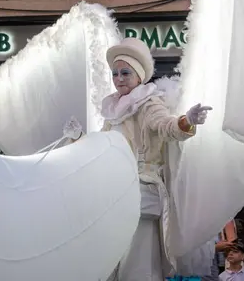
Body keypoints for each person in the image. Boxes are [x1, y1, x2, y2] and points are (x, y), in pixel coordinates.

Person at [81, 37, 212, 281]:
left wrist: (187, 121)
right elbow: (101, 147)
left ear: (139, 76)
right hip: (112, 193)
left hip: (140, 192)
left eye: (125, 73)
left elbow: (165, 126)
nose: (118, 78)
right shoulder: (112, 111)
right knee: (112, 258)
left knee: (138, 260)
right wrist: (77, 141)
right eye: (115, 73)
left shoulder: (148, 103)